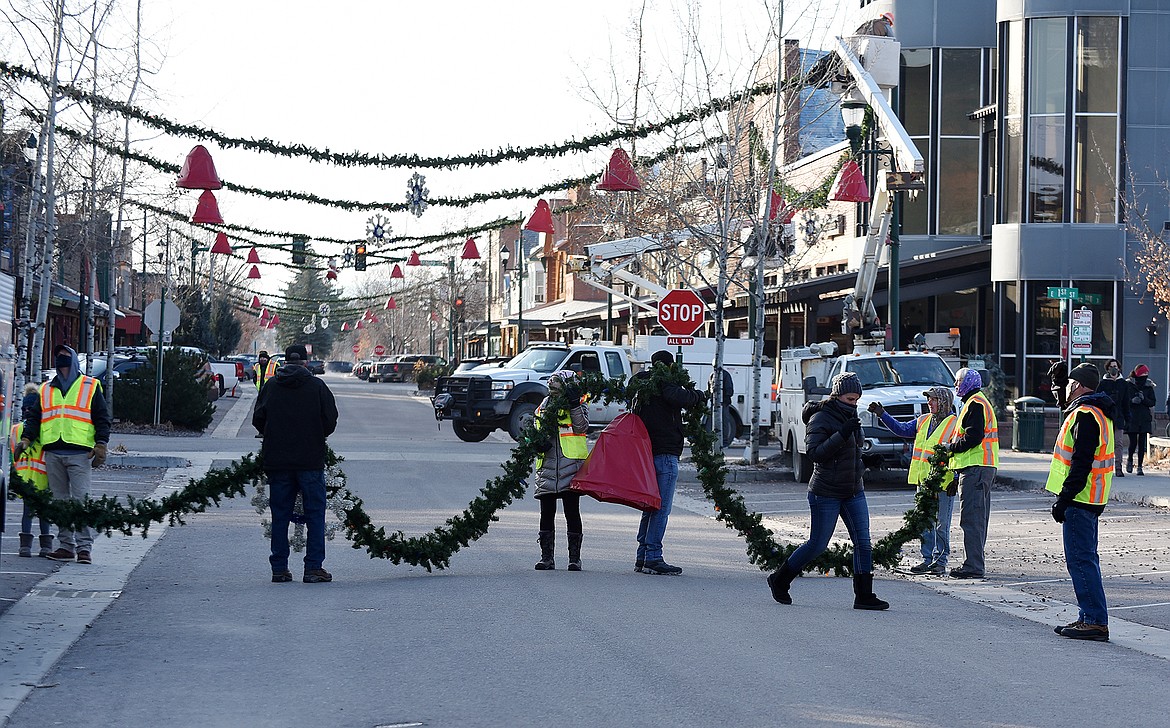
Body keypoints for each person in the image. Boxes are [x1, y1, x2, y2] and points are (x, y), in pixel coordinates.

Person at [767, 372, 889, 610]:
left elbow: (848, 456)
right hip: (826, 491)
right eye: (849, 399)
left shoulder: (851, 417)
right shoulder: (820, 418)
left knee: (863, 543)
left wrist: (866, 461)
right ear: (837, 395)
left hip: (853, 489)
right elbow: (816, 454)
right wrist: (842, 433)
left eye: (856, 400)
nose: (853, 404)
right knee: (817, 544)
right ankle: (779, 579)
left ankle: (864, 595)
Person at [252, 343, 339, 584]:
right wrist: (317, 434)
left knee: (280, 515)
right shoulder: (317, 386)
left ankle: (279, 568)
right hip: (310, 460)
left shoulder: (271, 387)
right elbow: (330, 420)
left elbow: (258, 418)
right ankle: (313, 568)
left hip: (278, 461)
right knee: (315, 515)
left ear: (284, 363)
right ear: (305, 362)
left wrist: (273, 434)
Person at [18, 344, 111, 564]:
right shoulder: (46, 389)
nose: (60, 362)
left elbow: (102, 417)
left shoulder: (90, 386)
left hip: (80, 454)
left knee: (80, 502)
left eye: (64, 357)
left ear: (73, 362)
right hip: (53, 453)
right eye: (57, 357)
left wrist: (101, 445)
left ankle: (84, 548)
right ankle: (66, 547)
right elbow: (35, 418)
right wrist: (26, 438)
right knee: (60, 503)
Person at [1048, 363, 1115, 642]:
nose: (1065, 389)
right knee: (1084, 558)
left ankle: (1095, 621)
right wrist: (1058, 385)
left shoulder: (1086, 414)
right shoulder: (1094, 410)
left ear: (1078, 385)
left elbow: (1081, 462)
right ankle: (1089, 616)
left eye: (1069, 384)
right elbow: (1064, 404)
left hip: (1080, 497)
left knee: (1081, 560)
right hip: (1090, 497)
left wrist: (1064, 498)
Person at [870, 386, 958, 576]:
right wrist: (882, 414)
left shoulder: (955, 424)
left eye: (933, 399)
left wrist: (956, 478)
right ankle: (927, 560)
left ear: (943, 402)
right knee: (925, 523)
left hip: (944, 483)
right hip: (924, 482)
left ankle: (940, 562)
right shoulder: (923, 420)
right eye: (929, 399)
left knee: (942, 524)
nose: (929, 403)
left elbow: (959, 451)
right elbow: (901, 429)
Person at [631, 350, 702, 576]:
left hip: (645, 452)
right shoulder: (666, 383)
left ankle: (642, 555)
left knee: (650, 506)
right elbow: (682, 398)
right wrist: (700, 395)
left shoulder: (641, 384)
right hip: (665, 454)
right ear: (669, 366)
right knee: (661, 508)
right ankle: (653, 556)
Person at [939, 367, 999, 579]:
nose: (955, 385)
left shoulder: (975, 404)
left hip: (976, 468)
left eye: (958, 381)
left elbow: (973, 437)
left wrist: (951, 448)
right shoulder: (975, 402)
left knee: (972, 518)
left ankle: (973, 566)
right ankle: (974, 563)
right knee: (977, 518)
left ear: (968, 383)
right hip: (980, 467)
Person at [531, 370, 589, 571]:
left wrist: (574, 405)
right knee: (546, 513)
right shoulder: (544, 405)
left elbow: (582, 427)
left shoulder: (578, 403)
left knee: (572, 512)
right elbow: (535, 430)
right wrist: (537, 442)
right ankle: (547, 558)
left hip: (570, 466)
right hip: (547, 467)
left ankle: (574, 559)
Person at [12, 384, 53, 557]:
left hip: (25, 479)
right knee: (43, 513)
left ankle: (25, 546)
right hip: (43, 478)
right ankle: (46, 546)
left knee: (27, 513)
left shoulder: (16, 430)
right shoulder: (44, 430)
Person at [1097, 359, 1129, 478]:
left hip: (1119, 417)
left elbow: (1126, 403)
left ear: (1119, 368)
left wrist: (1128, 418)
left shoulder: (1124, 384)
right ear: (1108, 369)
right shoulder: (1103, 384)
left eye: (1115, 366)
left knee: (1118, 443)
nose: (1113, 369)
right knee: (1105, 443)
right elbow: (1098, 400)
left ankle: (1118, 467)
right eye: (1111, 367)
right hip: (1106, 416)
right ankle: (1104, 467)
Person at [1122, 364, 1156, 476]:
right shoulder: (1129, 384)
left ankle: (1140, 466)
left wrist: (1144, 399)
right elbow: (1124, 400)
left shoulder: (1148, 386)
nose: (1145, 376)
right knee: (1133, 442)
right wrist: (1132, 400)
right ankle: (1130, 459)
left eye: (1146, 374)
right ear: (1138, 374)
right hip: (1132, 417)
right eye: (1143, 374)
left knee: (1142, 443)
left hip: (1144, 417)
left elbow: (1152, 402)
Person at [708, 364, 735, 448]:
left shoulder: (723, 375)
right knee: (717, 422)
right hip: (716, 402)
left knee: (724, 422)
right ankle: (717, 441)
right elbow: (710, 388)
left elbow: (729, 389)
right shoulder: (713, 375)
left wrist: (726, 398)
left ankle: (724, 441)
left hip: (723, 402)